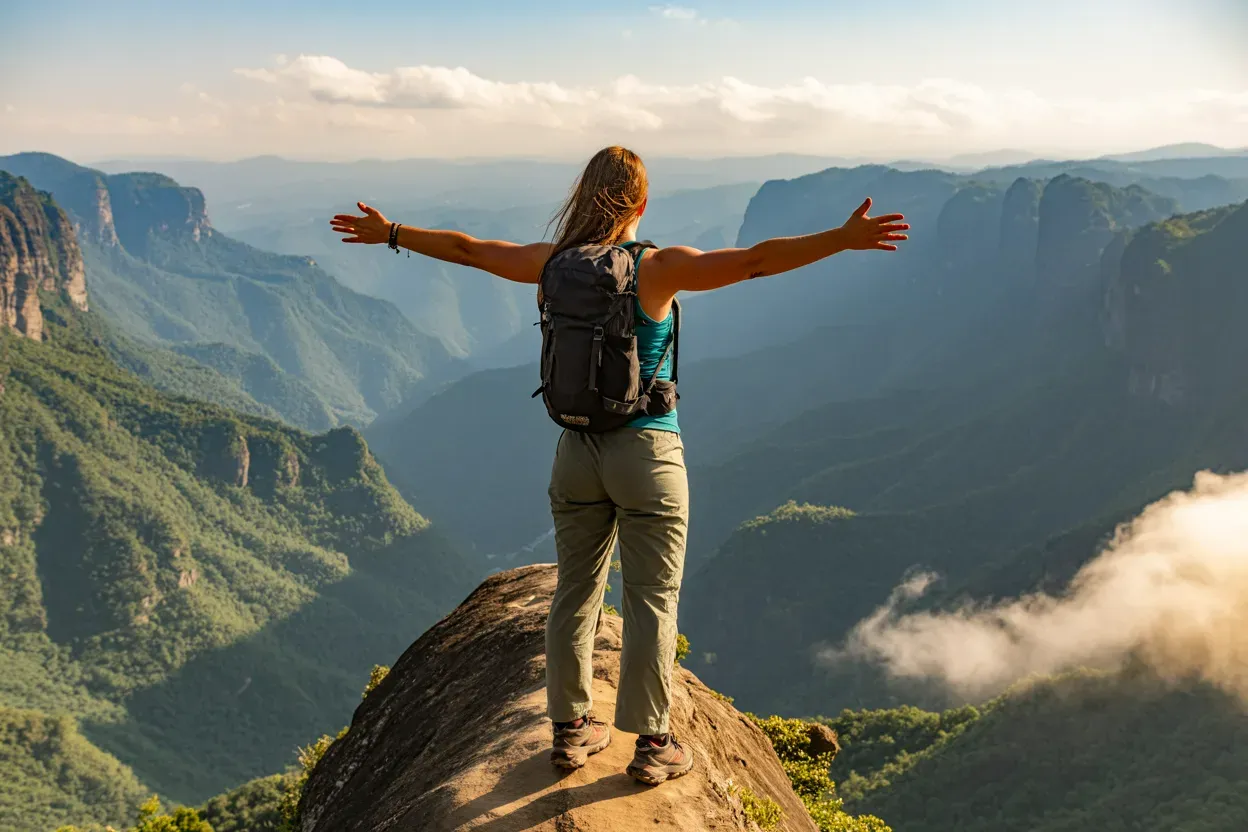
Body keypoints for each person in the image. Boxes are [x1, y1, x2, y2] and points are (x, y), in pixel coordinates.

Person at [330, 146, 908, 785]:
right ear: (640, 202)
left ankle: (572, 731)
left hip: (575, 453)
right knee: (651, 598)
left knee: (574, 591)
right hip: (647, 453)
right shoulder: (657, 270)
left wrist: (389, 232)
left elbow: (468, 248)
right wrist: (844, 239)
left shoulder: (549, 265)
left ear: (584, 196)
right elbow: (755, 261)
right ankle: (654, 743)